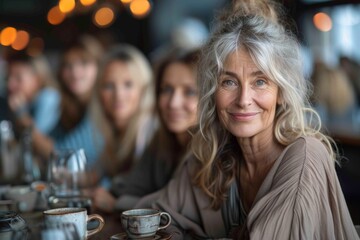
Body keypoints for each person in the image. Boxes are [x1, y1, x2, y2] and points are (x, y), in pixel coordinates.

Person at [141, 1, 360, 239]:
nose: (244, 99)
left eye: (260, 81)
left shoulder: (305, 156)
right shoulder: (213, 157)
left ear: (281, 93)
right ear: (212, 92)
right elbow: (154, 218)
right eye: (229, 82)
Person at [92, 49, 200, 212]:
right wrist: (106, 192)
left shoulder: (209, 148)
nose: (173, 103)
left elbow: (176, 201)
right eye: (167, 90)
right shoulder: (162, 139)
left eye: (189, 92)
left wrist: (116, 204)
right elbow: (134, 184)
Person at [90, 44, 157, 191]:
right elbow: (91, 177)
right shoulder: (113, 133)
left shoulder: (150, 131)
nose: (118, 95)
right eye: (108, 85)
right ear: (99, 93)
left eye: (128, 84)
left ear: (143, 89)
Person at [34, 35, 105, 169]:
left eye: (84, 63)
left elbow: (66, 154)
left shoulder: (102, 104)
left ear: (99, 67)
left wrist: (28, 127)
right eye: (68, 65)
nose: (75, 72)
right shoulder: (66, 105)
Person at [6, 53, 60, 135]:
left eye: (18, 78)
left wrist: (20, 112)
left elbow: (36, 139)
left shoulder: (48, 97)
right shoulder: (26, 101)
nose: (10, 84)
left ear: (37, 79)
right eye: (8, 78)